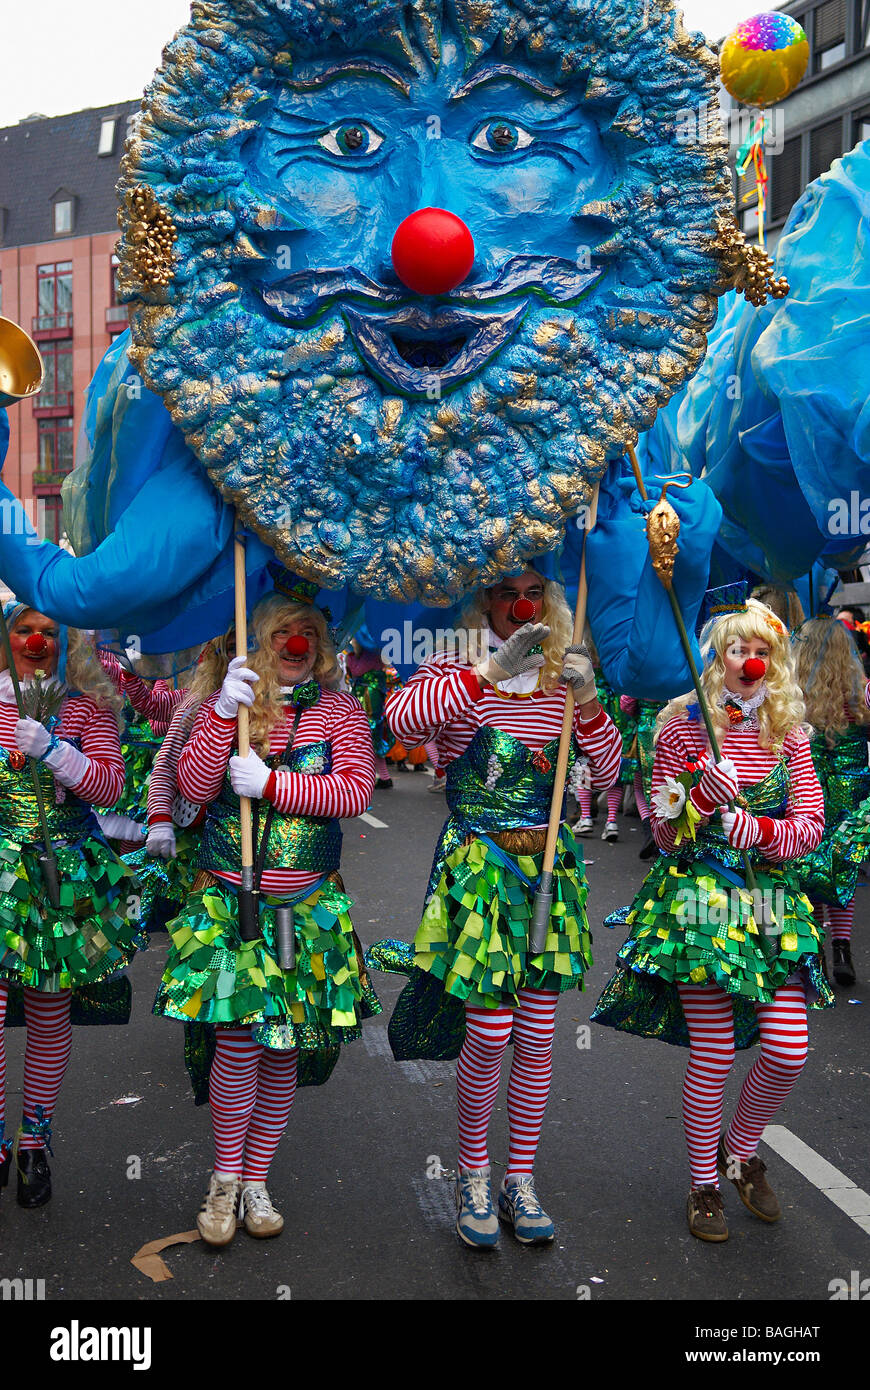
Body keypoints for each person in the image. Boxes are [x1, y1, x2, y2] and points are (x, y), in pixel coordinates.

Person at [378, 565, 621, 1248]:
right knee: (489, 1033)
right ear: (481, 599)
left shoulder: (565, 677)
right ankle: (474, 1173)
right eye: (507, 590)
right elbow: (400, 719)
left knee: (538, 1036)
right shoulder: (451, 668)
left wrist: (594, 705)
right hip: (481, 868)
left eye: (536, 589)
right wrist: (485, 673)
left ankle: (520, 1178)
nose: (523, 603)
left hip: (550, 867)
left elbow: (610, 775)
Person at [593, 593, 831, 1243]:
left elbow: (810, 825)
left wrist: (757, 829)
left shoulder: (790, 731)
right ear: (717, 657)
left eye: (761, 652)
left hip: (769, 901)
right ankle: (704, 1183)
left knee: (787, 1049)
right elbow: (666, 836)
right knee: (716, 1050)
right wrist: (699, 797)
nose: (750, 663)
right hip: (699, 901)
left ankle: (740, 1148)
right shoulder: (681, 728)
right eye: (738, 650)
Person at [152, 576, 380, 1246]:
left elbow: (356, 789)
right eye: (282, 631)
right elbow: (191, 790)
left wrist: (274, 782)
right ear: (258, 638)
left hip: (307, 907)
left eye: (306, 631)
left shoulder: (339, 711)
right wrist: (224, 712)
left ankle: (257, 1178)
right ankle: (224, 1179)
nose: (297, 643)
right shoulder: (230, 702)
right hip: (231, 902)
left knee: (281, 1051)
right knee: (237, 1045)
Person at [0, 601, 142, 1210]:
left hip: (64, 873)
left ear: (67, 641)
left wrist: (58, 750)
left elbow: (113, 786)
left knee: (49, 1009)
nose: (36, 641)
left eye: (48, 632)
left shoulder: (88, 704)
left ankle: (34, 1140)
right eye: (23, 631)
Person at [792, 617, 870, 987]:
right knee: (843, 870)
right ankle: (842, 947)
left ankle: (817, 949)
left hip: (809, 793)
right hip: (850, 794)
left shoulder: (791, 692)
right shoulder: (860, 692)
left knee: (809, 867)